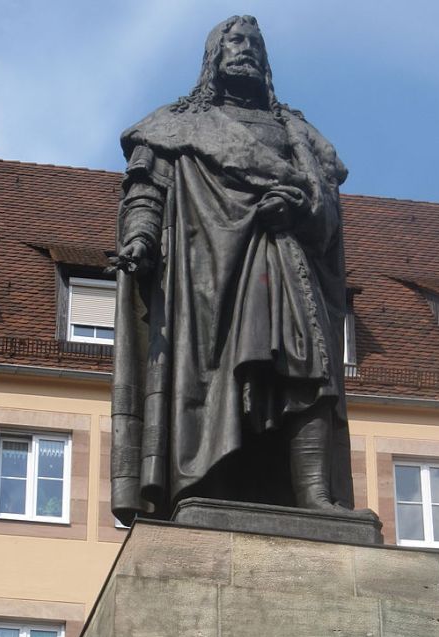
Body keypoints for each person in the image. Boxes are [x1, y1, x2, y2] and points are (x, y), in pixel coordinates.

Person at [111, 14, 356, 525]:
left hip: (287, 260)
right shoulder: (178, 124)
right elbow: (146, 191)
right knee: (210, 377)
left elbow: (327, 212)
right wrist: (140, 240)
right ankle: (205, 487)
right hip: (206, 278)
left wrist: (301, 210)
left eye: (254, 44)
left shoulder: (301, 135)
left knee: (306, 365)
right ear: (213, 56)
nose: (244, 50)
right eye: (234, 41)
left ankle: (314, 494)